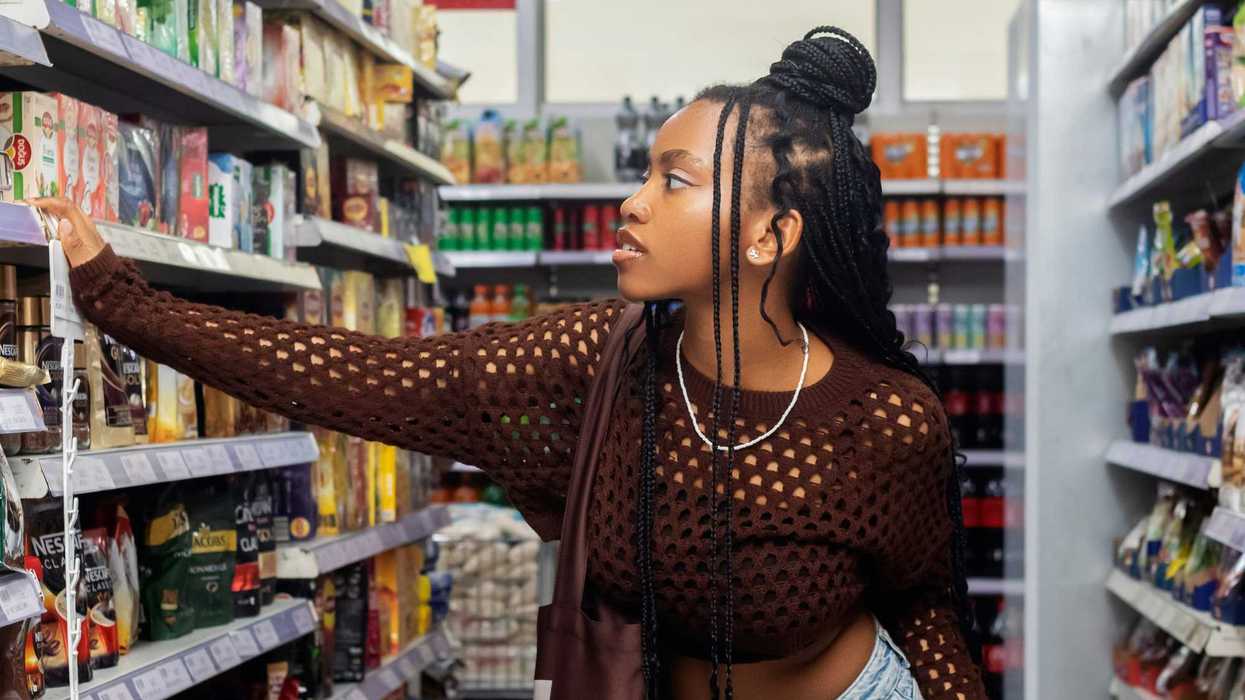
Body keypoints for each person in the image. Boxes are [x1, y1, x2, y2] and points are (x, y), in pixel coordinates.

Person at [36, 26, 984, 700]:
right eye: (646, 171)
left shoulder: (885, 422)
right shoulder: (598, 360)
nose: (633, 204)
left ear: (772, 234)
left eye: (674, 181)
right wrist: (122, 300)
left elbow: (929, 614)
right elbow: (363, 376)